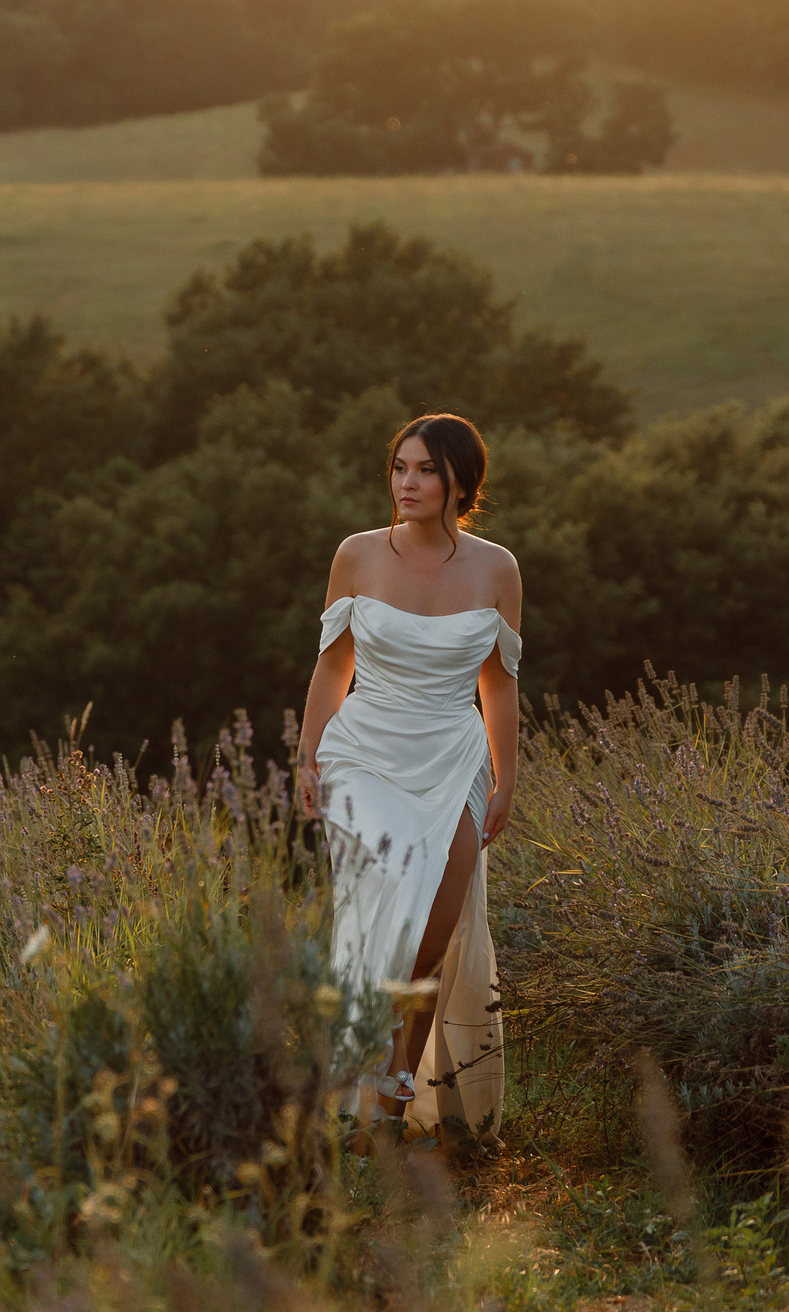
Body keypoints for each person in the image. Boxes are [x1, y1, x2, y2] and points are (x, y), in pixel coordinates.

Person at [297, 412, 518, 1140]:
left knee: (433, 933)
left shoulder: (497, 567)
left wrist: (505, 774)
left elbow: (501, 682)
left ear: (460, 480)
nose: (407, 482)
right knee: (380, 924)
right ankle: (355, 1088)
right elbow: (334, 664)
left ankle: (391, 1094)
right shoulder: (357, 554)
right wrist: (308, 754)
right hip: (364, 751)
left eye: (424, 469)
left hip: (453, 755)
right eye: (400, 467)